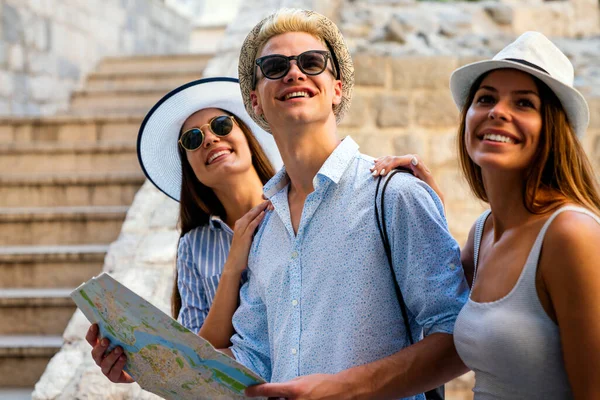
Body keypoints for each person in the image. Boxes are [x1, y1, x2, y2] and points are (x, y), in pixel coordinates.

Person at [223, 8, 470, 400]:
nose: (294, 73)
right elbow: (253, 359)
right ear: (255, 101)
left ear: (336, 88)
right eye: (273, 66)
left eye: (311, 62)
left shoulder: (394, 195)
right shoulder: (265, 229)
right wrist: (142, 359)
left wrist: (345, 389)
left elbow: (459, 333)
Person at [370, 32, 600, 399]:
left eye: (524, 103)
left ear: (552, 129)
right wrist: (424, 203)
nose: (497, 111)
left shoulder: (570, 234)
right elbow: (431, 297)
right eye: (486, 98)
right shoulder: (483, 233)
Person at [84, 77, 282, 384]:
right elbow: (198, 355)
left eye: (220, 125)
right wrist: (232, 266)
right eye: (192, 139)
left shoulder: (294, 207)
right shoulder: (194, 245)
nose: (210, 139)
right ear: (189, 166)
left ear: (246, 134)